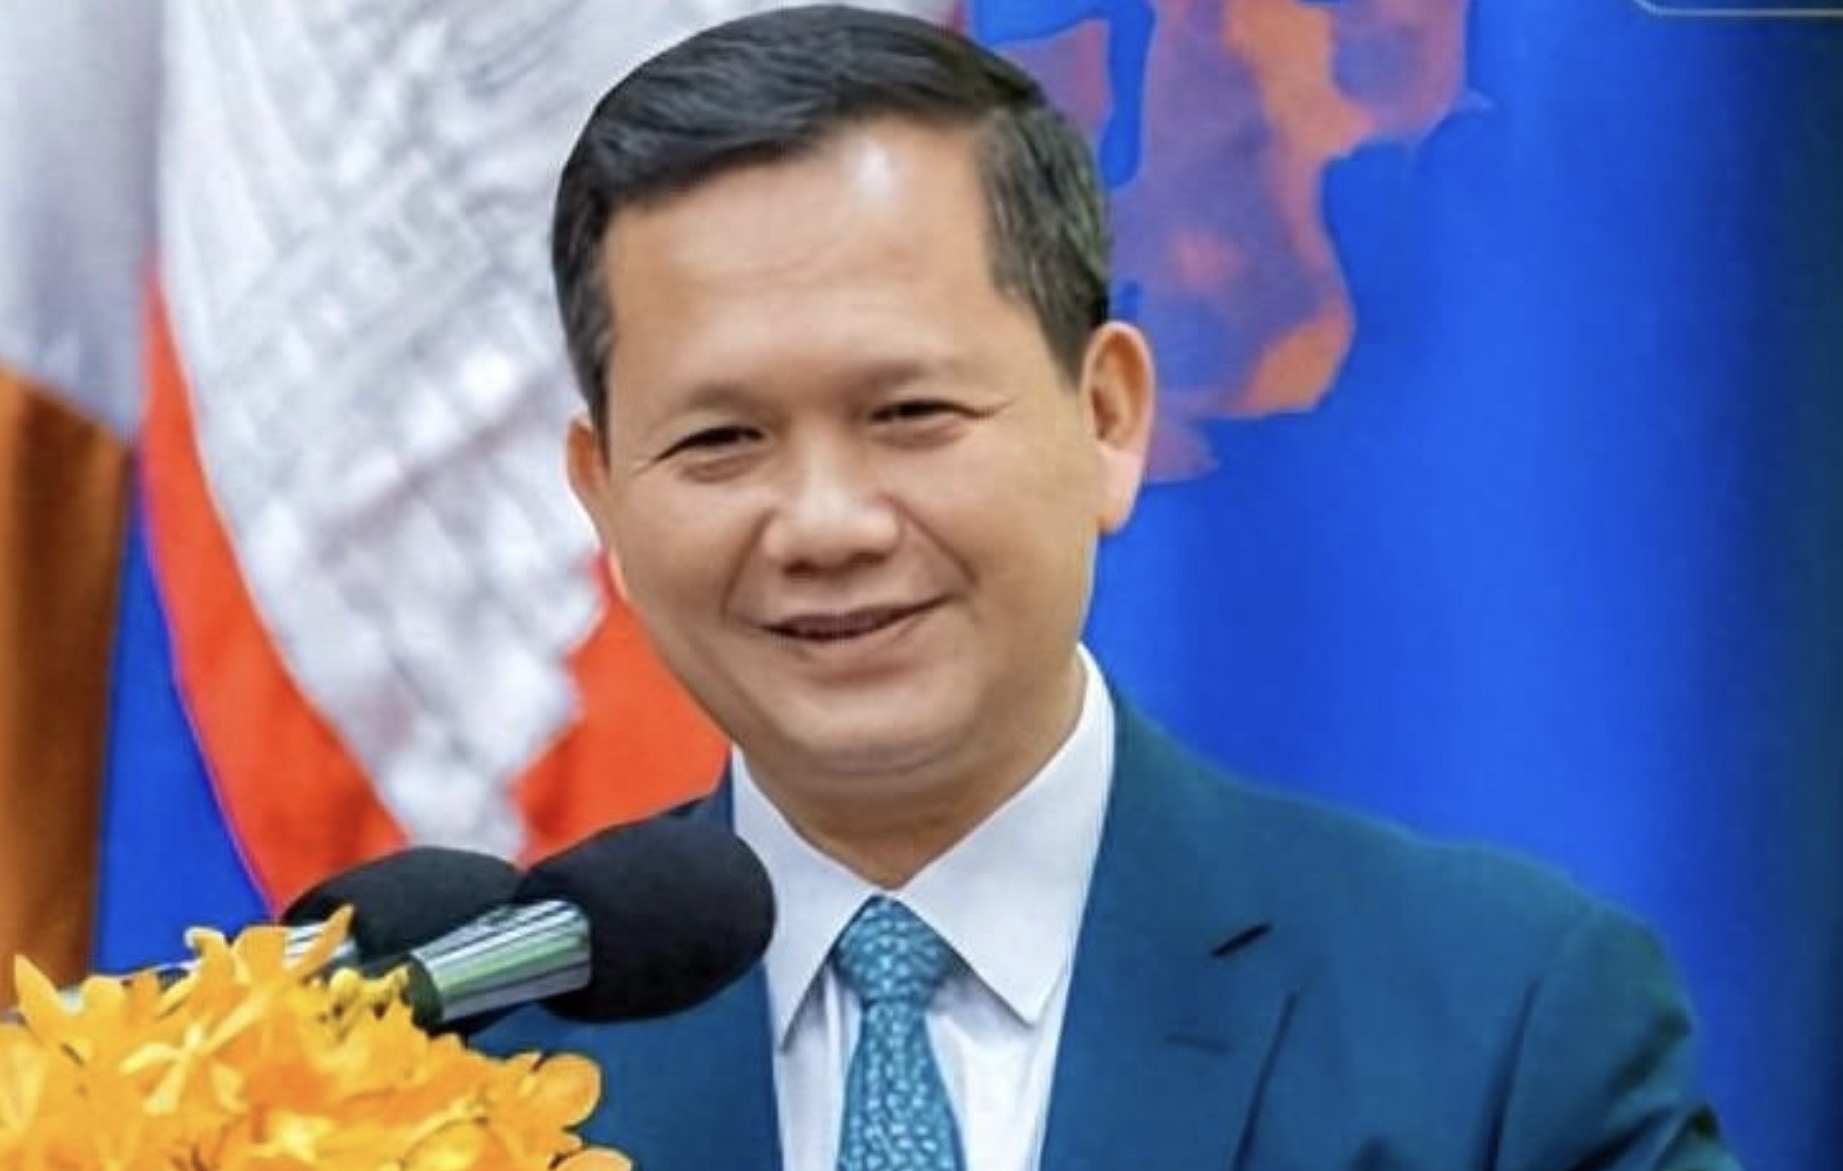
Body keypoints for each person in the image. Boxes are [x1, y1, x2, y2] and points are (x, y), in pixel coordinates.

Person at [476, 6, 1740, 1170]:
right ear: (604, 497)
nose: (827, 525)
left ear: (1109, 418)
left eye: (909, 413)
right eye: (721, 440)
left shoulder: (1505, 1026)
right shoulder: (451, 1052)